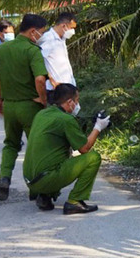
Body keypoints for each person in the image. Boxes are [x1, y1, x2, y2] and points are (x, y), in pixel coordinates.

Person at [23, 83, 110, 214]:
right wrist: (98, 127)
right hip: (45, 178)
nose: (77, 104)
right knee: (93, 158)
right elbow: (84, 149)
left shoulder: (42, 114)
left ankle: (44, 195)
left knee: (59, 154)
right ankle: (75, 201)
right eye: (77, 100)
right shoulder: (66, 120)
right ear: (70, 102)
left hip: (30, 179)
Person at [0, 14, 48, 201]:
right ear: (33, 31)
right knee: (36, 148)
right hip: (30, 107)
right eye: (42, 32)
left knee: (10, 144)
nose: (42, 36)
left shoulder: (1, 50)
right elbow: (40, 79)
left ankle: (5, 178)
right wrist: (43, 100)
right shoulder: (32, 51)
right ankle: (37, 189)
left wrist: (0, 100)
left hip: (9, 106)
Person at [38, 12, 77, 105]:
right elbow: (39, 61)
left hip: (67, 87)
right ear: (64, 26)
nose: (73, 31)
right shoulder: (48, 39)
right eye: (72, 28)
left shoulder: (62, 39)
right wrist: (52, 81)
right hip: (56, 90)